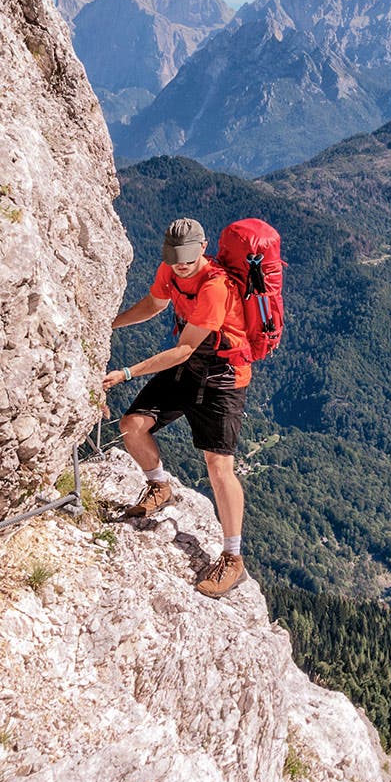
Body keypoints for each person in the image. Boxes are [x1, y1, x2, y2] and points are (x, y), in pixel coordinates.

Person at [103, 218, 250, 597]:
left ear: (203, 248)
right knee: (132, 424)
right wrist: (111, 325)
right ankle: (158, 486)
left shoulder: (216, 287)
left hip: (221, 379)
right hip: (187, 369)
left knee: (219, 469)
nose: (180, 265)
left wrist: (127, 371)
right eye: (174, 258)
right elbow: (155, 303)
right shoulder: (171, 269)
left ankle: (232, 557)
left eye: (187, 258)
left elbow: (183, 348)